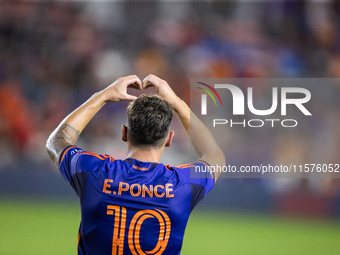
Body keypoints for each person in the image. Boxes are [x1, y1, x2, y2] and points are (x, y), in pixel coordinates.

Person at [46, 74, 225, 255]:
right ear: (169, 139)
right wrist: (176, 102)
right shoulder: (183, 185)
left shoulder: (94, 171)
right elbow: (215, 157)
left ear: (123, 133)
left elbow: (56, 142)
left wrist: (103, 96)